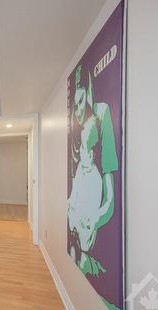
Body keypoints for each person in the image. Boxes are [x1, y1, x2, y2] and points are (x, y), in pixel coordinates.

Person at [68, 65, 119, 277]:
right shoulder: (74, 128)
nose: (78, 111)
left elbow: (109, 200)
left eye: (81, 103)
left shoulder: (102, 114)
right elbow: (73, 190)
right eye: (75, 105)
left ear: (88, 96)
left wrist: (97, 216)